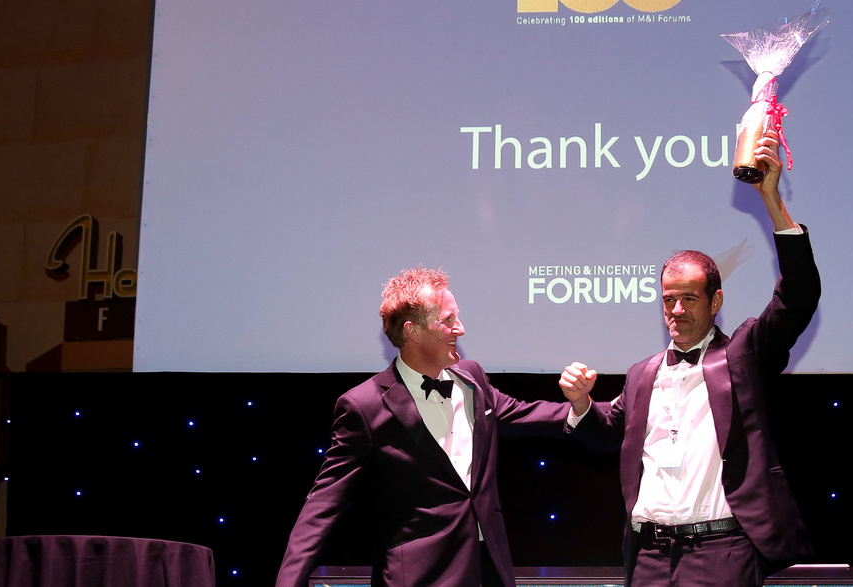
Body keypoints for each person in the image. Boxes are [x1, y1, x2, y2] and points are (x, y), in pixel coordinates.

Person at [558, 129, 818, 586]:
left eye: (689, 299)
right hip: (649, 556)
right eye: (668, 299)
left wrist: (772, 202)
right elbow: (605, 438)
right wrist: (581, 405)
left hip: (721, 553)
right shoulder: (643, 374)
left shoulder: (742, 355)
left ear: (715, 302)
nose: (676, 310)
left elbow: (797, 297)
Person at [276, 267, 580, 587]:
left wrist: (586, 409)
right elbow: (323, 506)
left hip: (489, 571)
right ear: (413, 331)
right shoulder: (363, 406)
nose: (460, 329)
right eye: (448, 320)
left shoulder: (472, 378)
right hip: (420, 578)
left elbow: (523, 414)